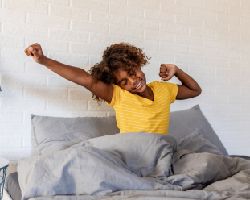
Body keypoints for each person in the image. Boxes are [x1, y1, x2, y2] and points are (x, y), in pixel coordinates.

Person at [25, 43, 201, 135]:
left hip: (160, 154)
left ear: (139, 65)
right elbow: (84, 79)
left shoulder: (164, 89)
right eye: (124, 81)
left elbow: (195, 90)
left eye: (133, 72)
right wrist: (44, 61)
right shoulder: (119, 96)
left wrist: (177, 70)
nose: (133, 81)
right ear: (118, 85)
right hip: (133, 155)